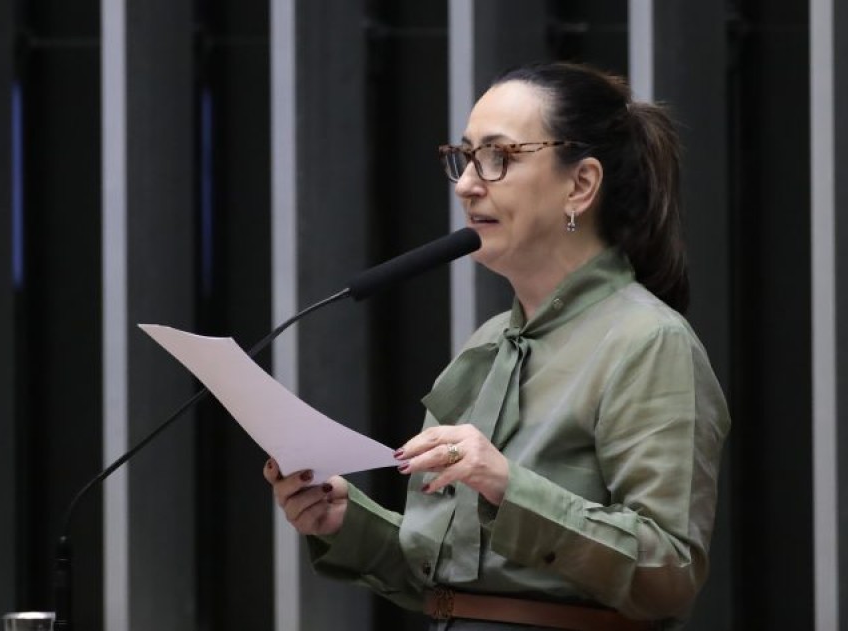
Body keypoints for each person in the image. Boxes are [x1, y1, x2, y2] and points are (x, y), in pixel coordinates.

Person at [263, 61, 730, 631]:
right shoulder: (489, 342)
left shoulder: (648, 341)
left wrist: (508, 487)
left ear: (580, 185)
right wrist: (345, 520)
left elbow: (669, 575)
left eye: (498, 157)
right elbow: (458, 586)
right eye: (463, 157)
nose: (466, 184)